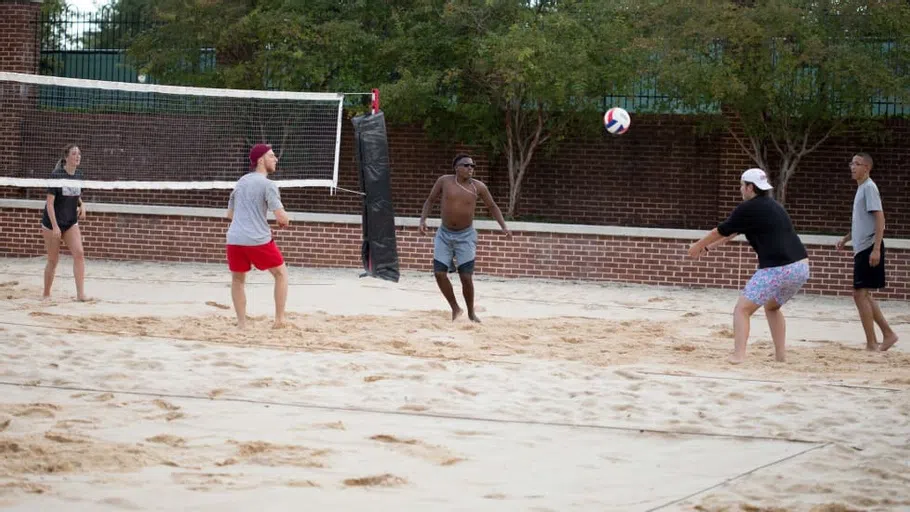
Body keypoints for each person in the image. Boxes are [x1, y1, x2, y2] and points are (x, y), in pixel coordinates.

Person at [688, 168, 810, 364]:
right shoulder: (774, 206)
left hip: (777, 268)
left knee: (742, 310)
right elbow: (731, 233)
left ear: (750, 187)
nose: (740, 189)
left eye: (741, 185)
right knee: (772, 307)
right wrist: (708, 249)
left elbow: (719, 230)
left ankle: (739, 355)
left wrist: (697, 246)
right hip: (801, 267)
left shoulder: (748, 208)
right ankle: (781, 356)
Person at [418, 154, 512, 322]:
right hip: (444, 234)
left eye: (472, 166)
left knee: (465, 277)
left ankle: (470, 312)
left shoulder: (479, 187)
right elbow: (430, 200)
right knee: (439, 273)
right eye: (466, 165)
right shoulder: (444, 181)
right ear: (457, 168)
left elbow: (492, 206)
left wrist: (504, 226)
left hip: (466, 235)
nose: (470, 168)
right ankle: (455, 308)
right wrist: (423, 220)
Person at [835, 153, 898, 351]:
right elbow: (861, 222)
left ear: (867, 168)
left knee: (859, 294)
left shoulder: (869, 188)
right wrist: (846, 239)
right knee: (863, 294)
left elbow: (880, 219)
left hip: (869, 248)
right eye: (851, 163)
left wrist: (876, 249)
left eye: (857, 163)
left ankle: (872, 343)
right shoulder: (862, 188)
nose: (852, 167)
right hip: (862, 248)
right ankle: (888, 334)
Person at [226, 143, 290, 329]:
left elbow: (229, 215)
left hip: (235, 239)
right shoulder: (268, 185)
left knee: (238, 280)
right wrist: (287, 220)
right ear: (261, 160)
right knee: (281, 274)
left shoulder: (241, 182)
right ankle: (279, 320)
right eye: (271, 156)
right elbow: (281, 217)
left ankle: (241, 324)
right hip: (257, 240)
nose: (276, 159)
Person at [41, 144, 88, 301]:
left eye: (79, 154)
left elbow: (75, 195)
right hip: (52, 222)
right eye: (74, 154)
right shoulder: (56, 176)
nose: (78, 156)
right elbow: (49, 204)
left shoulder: (79, 176)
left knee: (79, 254)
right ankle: (46, 294)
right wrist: (54, 226)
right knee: (53, 260)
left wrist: (82, 205)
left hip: (70, 222)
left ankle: (81, 295)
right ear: (66, 157)